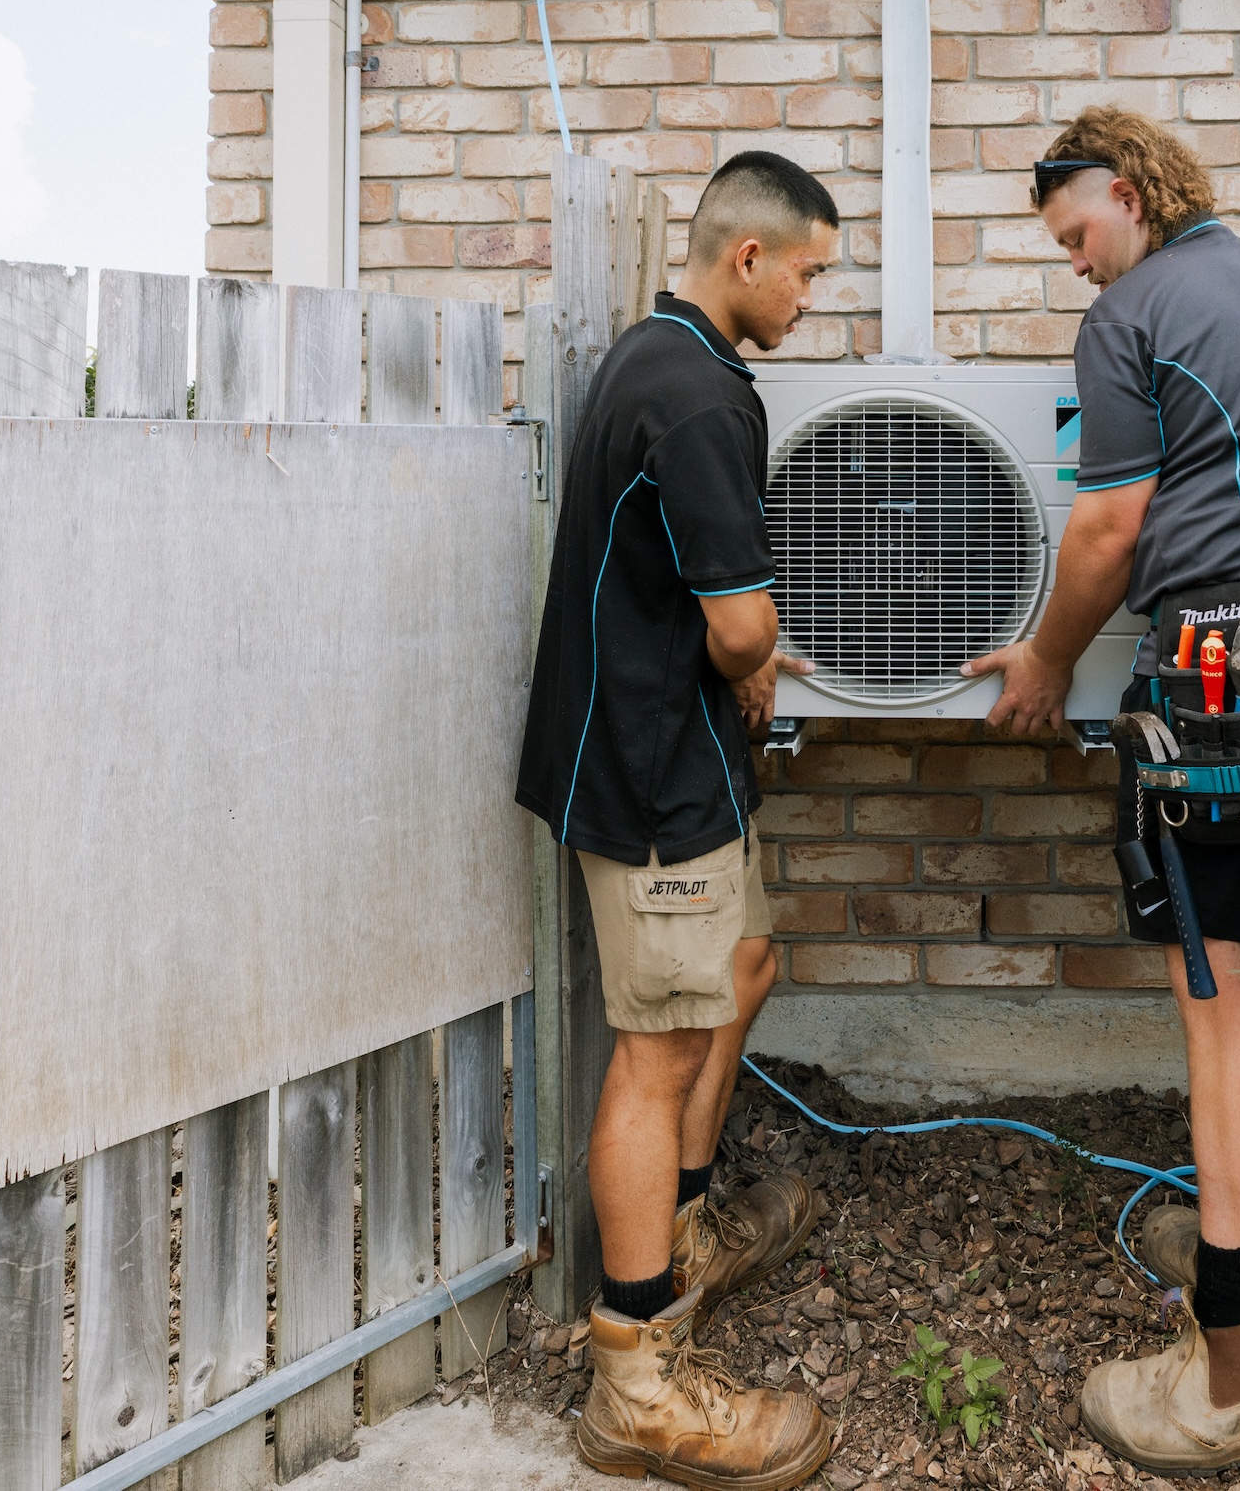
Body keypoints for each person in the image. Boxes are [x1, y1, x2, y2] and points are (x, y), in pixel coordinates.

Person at [964, 108, 1240, 1477]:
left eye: (1077, 235)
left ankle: (1237, 1381)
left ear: (1127, 188)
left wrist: (1045, 658)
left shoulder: (1139, 312)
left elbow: (1110, 522)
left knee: (1223, 1005)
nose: (1078, 270)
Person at [516, 151, 840, 1491]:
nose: (814, 303)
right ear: (747, 258)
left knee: (741, 973)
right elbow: (740, 622)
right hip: (650, 776)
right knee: (655, 1051)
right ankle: (635, 1380)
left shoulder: (665, 355)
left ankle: (687, 1227)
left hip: (684, 756)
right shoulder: (699, 398)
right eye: (810, 275)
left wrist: (745, 658)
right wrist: (757, 650)